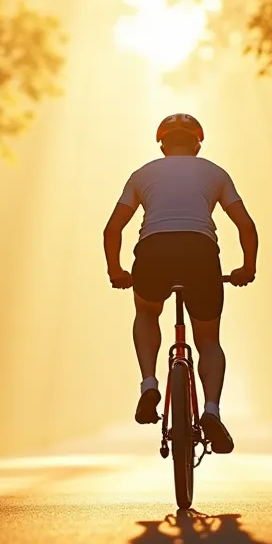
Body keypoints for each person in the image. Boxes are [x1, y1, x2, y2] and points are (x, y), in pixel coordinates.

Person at [102, 113, 259, 454]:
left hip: (153, 253)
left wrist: (116, 271)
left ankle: (148, 384)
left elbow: (112, 229)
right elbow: (246, 226)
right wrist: (247, 267)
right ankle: (211, 411)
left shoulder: (141, 175)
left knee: (146, 313)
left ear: (161, 145)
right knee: (208, 340)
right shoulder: (215, 173)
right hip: (199, 254)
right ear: (197, 143)